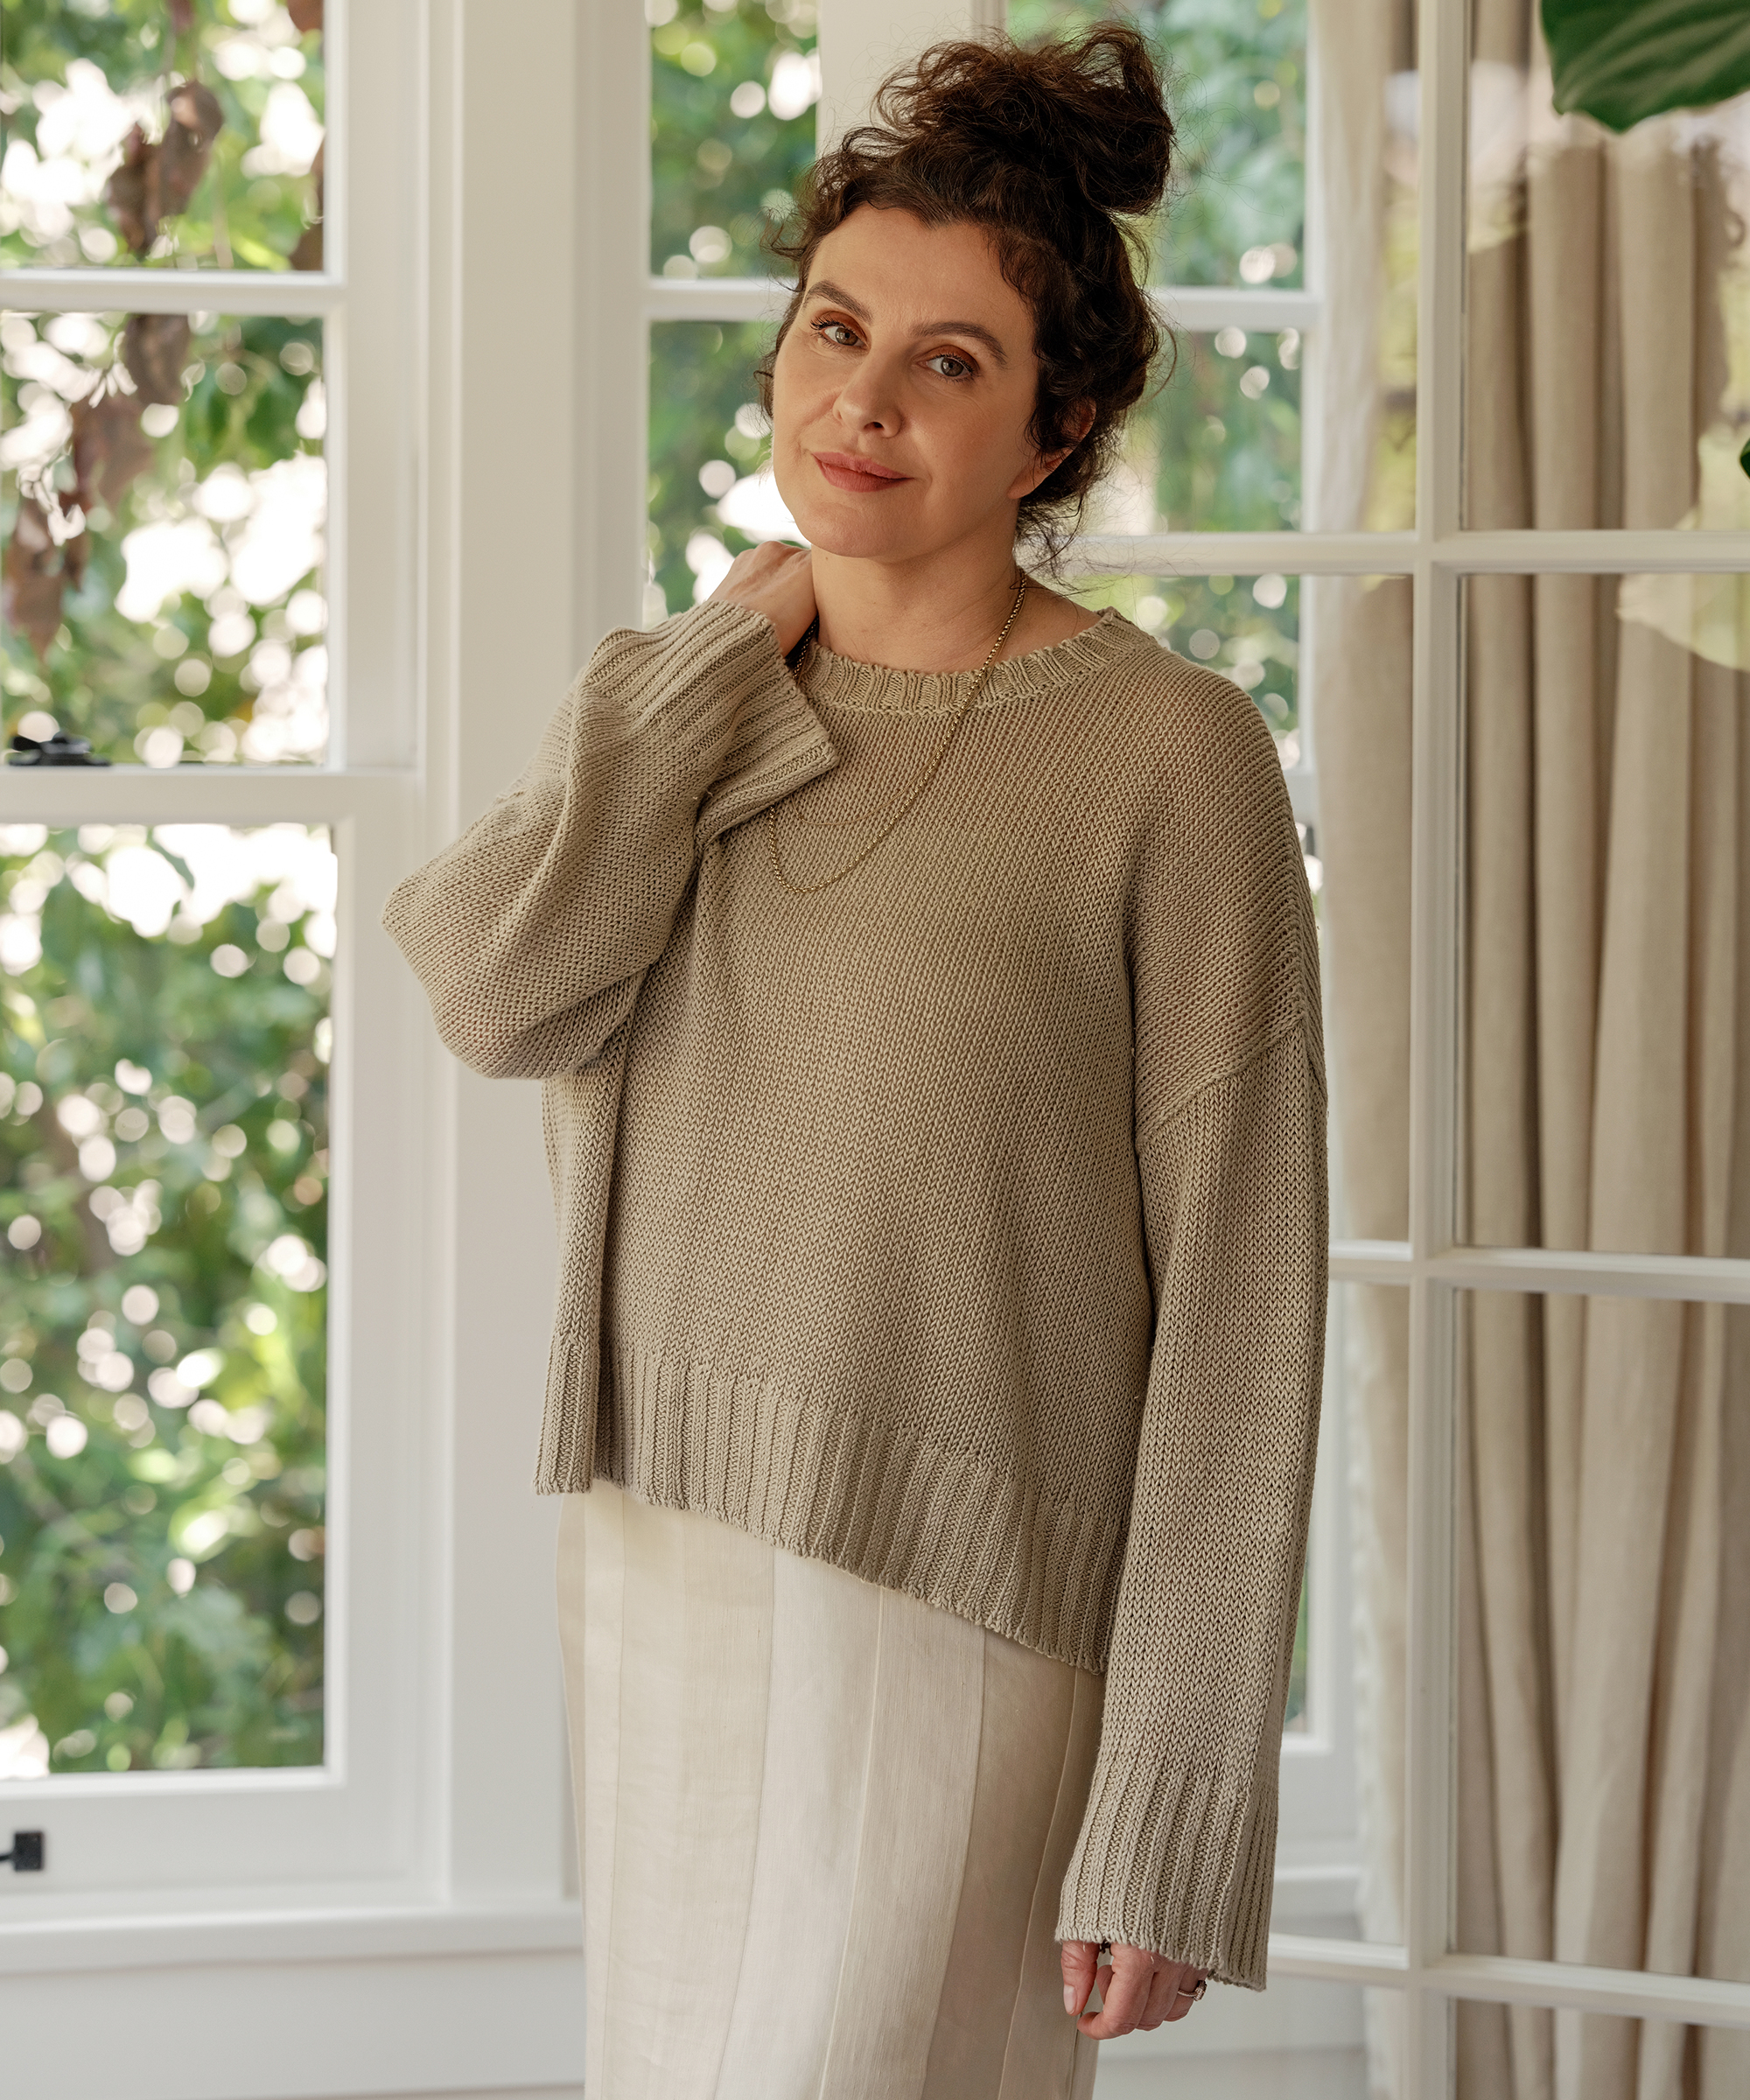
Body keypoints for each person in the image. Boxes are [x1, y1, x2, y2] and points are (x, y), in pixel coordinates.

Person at [385, 25, 1326, 2099]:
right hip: (660, 1554)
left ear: (1058, 426)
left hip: (962, 1605)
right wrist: (728, 652)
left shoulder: (1170, 761)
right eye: (833, 330)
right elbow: (493, 989)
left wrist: (1173, 1797)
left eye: (950, 364)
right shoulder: (677, 699)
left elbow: (1243, 1302)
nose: (860, 402)